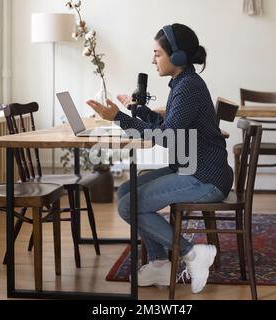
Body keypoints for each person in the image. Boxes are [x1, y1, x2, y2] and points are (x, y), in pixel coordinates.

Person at [86, 23, 233, 294]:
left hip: (204, 178)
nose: (152, 60)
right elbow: (171, 125)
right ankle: (159, 264)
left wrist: (118, 117)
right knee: (127, 191)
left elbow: (166, 137)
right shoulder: (182, 82)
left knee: (128, 206)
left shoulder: (188, 86)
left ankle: (192, 253)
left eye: (157, 54)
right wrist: (137, 110)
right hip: (192, 169)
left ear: (176, 57)